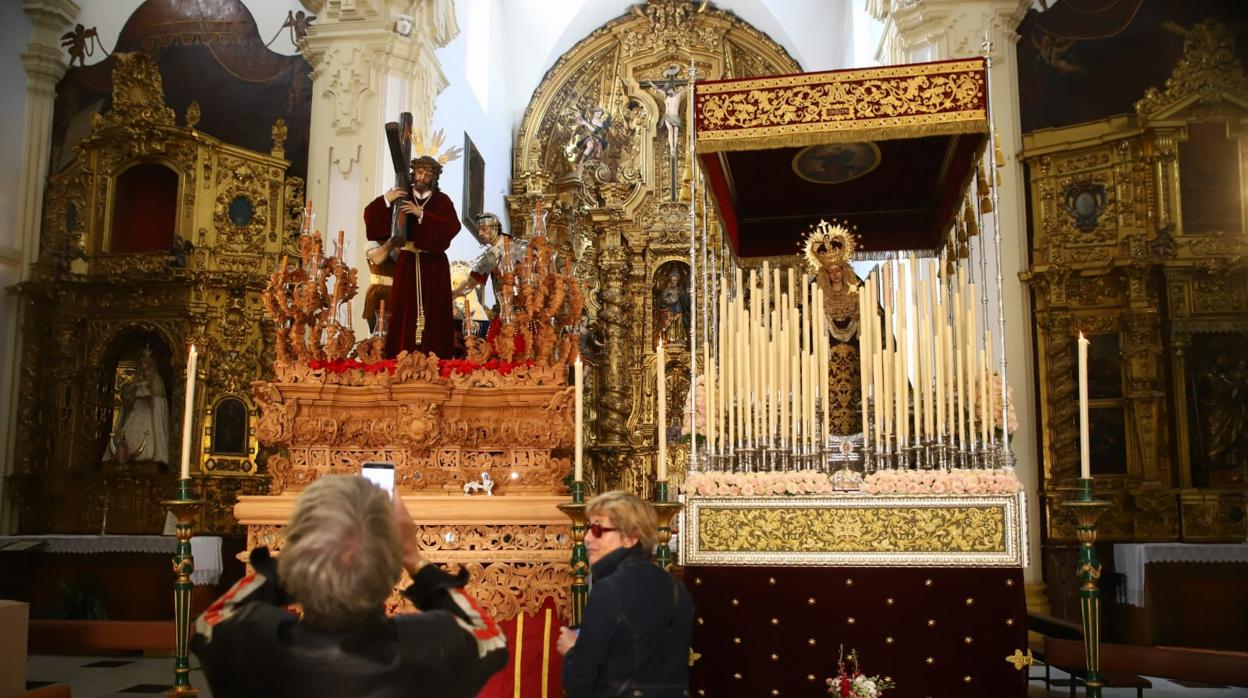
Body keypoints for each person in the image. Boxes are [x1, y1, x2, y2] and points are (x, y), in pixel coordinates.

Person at [191, 475, 507, 697]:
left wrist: (292, 559)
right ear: (390, 567)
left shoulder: (248, 644)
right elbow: (488, 634)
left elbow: (211, 621)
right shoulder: (430, 646)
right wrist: (414, 558)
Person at [557, 490, 693, 698]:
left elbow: (580, 681)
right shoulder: (676, 588)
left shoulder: (609, 590)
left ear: (631, 538)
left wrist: (572, 651)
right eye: (588, 527)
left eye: (597, 529)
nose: (586, 538)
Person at [364, 155, 461, 358]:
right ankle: (402, 356)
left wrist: (422, 214)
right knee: (403, 308)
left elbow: (452, 227)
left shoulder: (442, 201)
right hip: (407, 262)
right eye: (419, 172)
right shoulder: (401, 196)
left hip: (434, 265)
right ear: (413, 173)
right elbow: (372, 219)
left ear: (434, 177)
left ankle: (437, 358)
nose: (422, 177)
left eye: (428, 174)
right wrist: (385, 200)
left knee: (435, 312)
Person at [107, 347, 170, 465]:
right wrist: (133, 398)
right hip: (136, 412)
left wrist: (147, 397)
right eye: (141, 367)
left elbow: (158, 402)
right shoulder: (136, 383)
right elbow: (127, 398)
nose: (143, 371)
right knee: (127, 435)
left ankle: (149, 457)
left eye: (146, 368)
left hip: (148, 416)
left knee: (147, 437)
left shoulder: (156, 382)